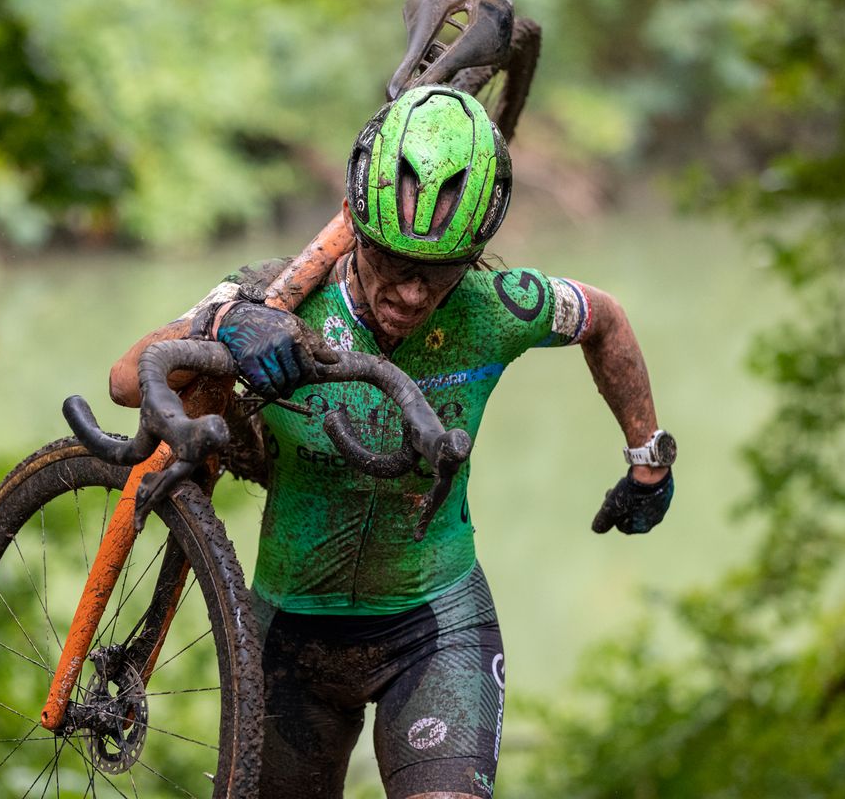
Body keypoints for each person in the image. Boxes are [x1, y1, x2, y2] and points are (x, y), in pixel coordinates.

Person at [110, 85, 676, 799]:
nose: (411, 294)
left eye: (438, 274)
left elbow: (606, 318)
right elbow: (128, 379)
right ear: (357, 229)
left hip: (435, 626)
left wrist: (647, 458)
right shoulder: (274, 296)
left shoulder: (498, 308)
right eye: (394, 264)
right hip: (288, 635)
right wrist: (224, 327)